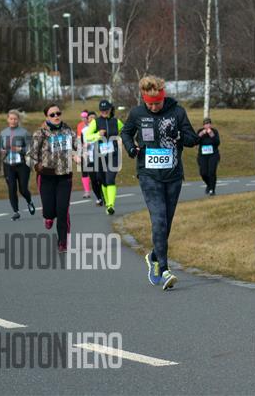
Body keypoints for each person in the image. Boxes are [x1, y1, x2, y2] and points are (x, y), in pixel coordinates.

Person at [121, 75, 199, 290]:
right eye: (150, 104)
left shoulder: (177, 112)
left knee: (167, 223)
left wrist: (180, 136)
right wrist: (131, 148)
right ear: (144, 100)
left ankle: (154, 256)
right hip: (149, 175)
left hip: (173, 175)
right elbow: (125, 133)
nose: (154, 107)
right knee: (159, 220)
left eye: (157, 103)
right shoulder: (137, 113)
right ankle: (164, 270)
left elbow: (193, 139)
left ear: (163, 98)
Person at [26, 104, 79, 253]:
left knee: (63, 211)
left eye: (58, 113)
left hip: (64, 177)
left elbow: (78, 146)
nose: (56, 116)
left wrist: (78, 155)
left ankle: (63, 242)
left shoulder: (68, 131)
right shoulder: (40, 133)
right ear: (47, 117)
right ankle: (48, 217)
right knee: (49, 211)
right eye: (52, 115)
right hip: (46, 177)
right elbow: (29, 155)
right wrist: (37, 166)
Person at [84, 100, 123, 215]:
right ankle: (107, 202)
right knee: (102, 180)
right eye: (102, 110)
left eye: (106, 110)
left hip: (113, 155)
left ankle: (111, 205)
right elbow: (87, 137)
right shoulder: (95, 122)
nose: (104, 112)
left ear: (110, 109)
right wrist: (97, 134)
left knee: (110, 179)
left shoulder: (116, 121)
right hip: (99, 155)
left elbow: (125, 131)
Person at [0, 109, 36, 220]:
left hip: (22, 165)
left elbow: (31, 149)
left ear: (18, 120)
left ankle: (29, 201)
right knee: (11, 188)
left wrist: (20, 149)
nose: (13, 121)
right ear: (7, 119)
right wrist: (2, 151)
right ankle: (16, 211)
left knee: (23, 189)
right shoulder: (3, 133)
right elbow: (0, 147)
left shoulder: (24, 132)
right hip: (8, 165)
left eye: (15, 119)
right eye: (11, 119)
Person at [82, 112, 105, 206]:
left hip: (101, 158)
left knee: (101, 178)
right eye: (90, 117)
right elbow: (82, 144)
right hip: (90, 158)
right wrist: (85, 146)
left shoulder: (101, 129)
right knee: (94, 180)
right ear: (87, 119)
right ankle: (99, 198)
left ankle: (104, 196)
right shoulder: (84, 130)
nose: (92, 119)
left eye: (94, 117)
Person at [197, 118, 220, 195]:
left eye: (209, 124)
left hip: (213, 155)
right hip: (202, 155)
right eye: (206, 124)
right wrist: (201, 134)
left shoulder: (214, 131)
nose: (207, 125)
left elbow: (217, 142)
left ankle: (212, 189)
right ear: (203, 125)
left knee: (211, 172)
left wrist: (211, 134)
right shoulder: (200, 131)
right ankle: (209, 185)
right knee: (203, 173)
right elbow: (195, 141)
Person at [76, 111, 92, 199]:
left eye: (85, 117)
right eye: (82, 117)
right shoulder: (80, 126)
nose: (84, 119)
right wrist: (78, 155)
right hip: (85, 152)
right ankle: (87, 191)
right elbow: (79, 141)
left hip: (95, 152)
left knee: (95, 173)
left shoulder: (94, 126)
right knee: (84, 171)